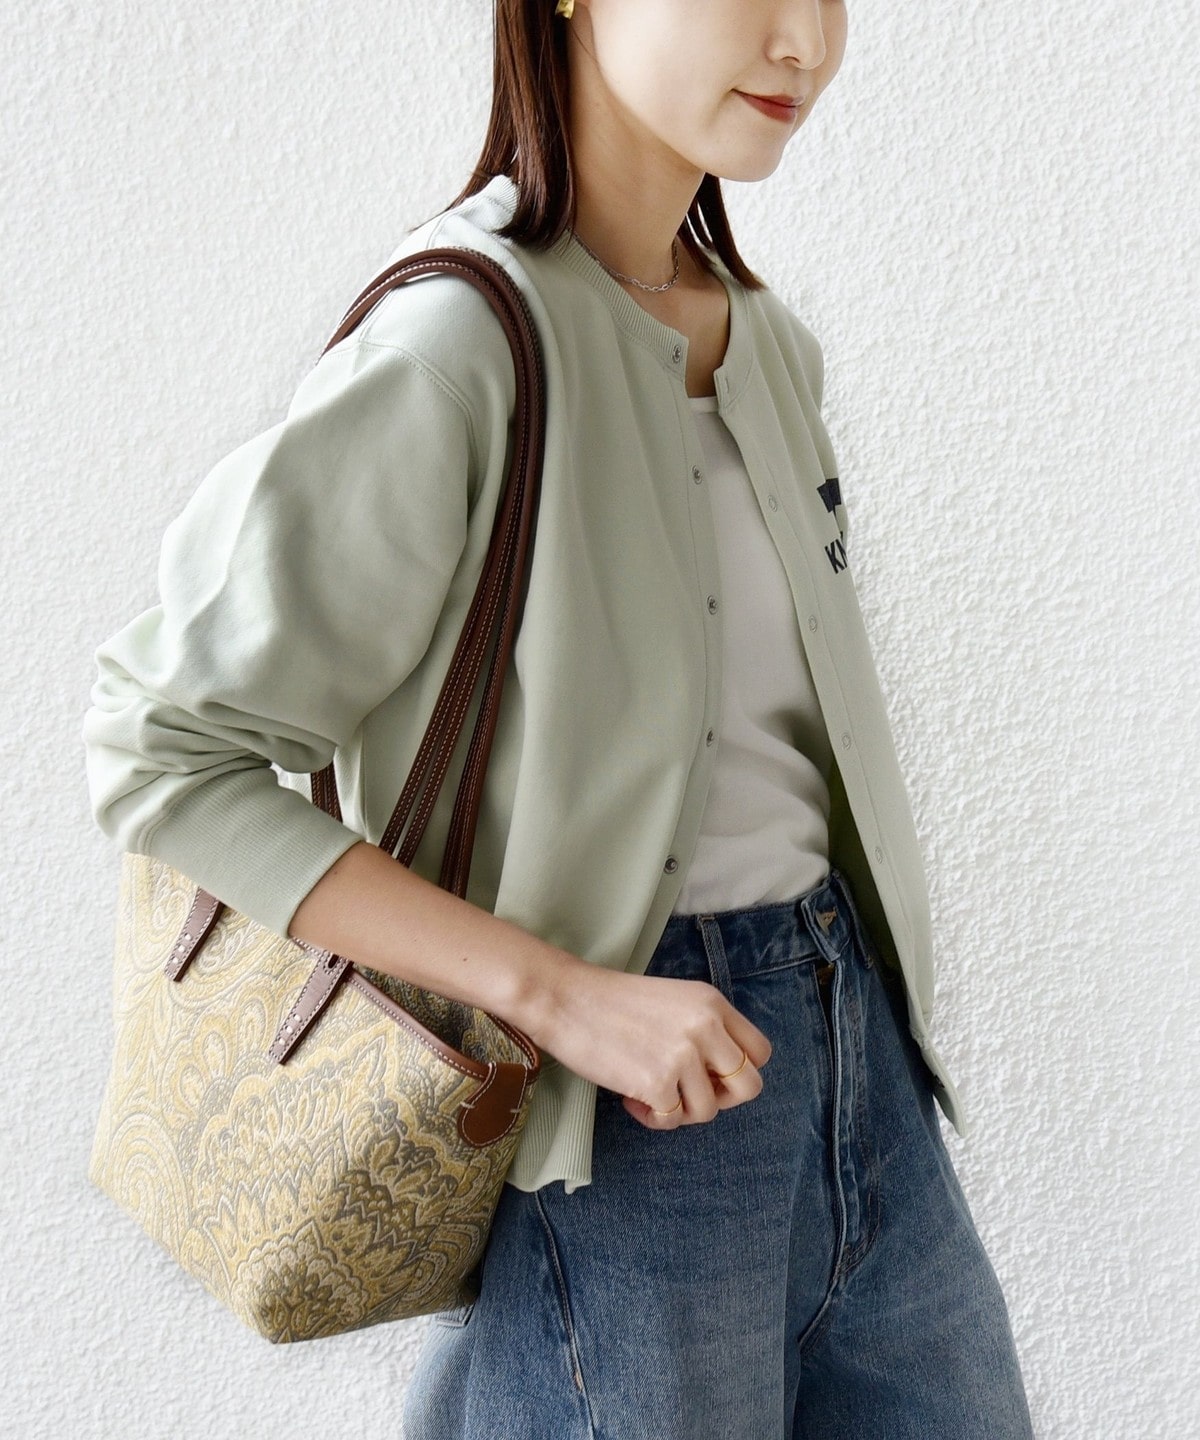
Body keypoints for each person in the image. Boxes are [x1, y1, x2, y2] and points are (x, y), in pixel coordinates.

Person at [82, 1, 1035, 1435]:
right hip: (622, 1115)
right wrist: (560, 996)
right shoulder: (457, 343)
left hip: (856, 1056)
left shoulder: (770, 346)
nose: (805, 41)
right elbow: (163, 751)